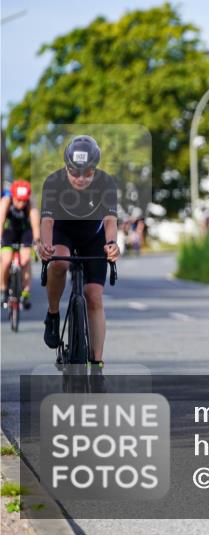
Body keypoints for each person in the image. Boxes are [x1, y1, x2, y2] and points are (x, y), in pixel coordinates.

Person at [36, 135, 120, 369]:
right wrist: (46, 246)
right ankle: (53, 315)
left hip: (93, 237)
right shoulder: (53, 182)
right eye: (75, 172)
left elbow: (111, 220)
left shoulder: (106, 182)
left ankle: (97, 363)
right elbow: (47, 222)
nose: (81, 178)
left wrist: (112, 243)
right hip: (63, 232)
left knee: (93, 296)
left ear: (95, 168)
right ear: (66, 166)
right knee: (59, 263)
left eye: (88, 172)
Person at [1, 180, 41, 309]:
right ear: (13, 196)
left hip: (25, 232)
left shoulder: (30, 203)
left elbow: (35, 224)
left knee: (25, 259)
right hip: (10, 232)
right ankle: (3, 289)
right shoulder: (6, 200)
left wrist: (37, 241)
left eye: (24, 201)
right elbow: (1, 220)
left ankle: (25, 292)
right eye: (18, 200)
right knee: (6, 260)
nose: (21, 204)